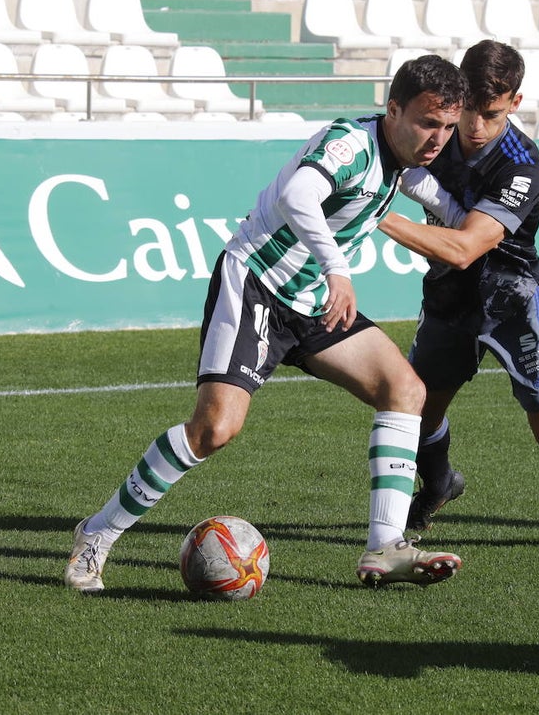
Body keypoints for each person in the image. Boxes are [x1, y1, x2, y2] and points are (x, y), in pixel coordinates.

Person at [65, 55, 471, 593]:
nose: (438, 138)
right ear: (392, 109)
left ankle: (385, 546)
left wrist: (481, 224)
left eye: (448, 126)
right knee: (214, 430)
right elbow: (296, 195)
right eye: (427, 123)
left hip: (313, 302)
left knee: (405, 390)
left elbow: (443, 202)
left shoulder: (407, 162)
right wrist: (338, 269)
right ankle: (97, 534)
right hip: (258, 283)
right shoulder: (350, 144)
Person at [380, 40, 539, 555]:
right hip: (449, 298)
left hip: (514, 300)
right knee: (418, 412)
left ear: (515, 103)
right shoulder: (436, 131)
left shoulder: (522, 165)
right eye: (468, 111)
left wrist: (376, 214)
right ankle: (439, 485)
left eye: (492, 114)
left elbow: (464, 248)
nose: (475, 127)